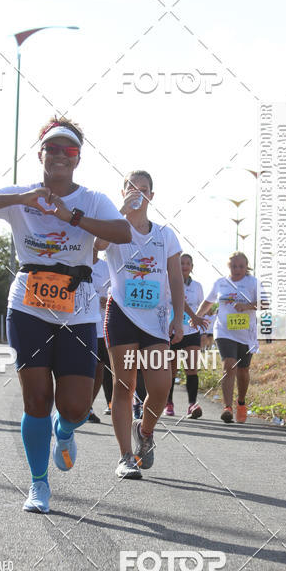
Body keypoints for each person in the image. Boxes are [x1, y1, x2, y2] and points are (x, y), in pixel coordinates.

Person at [0, 116, 131, 514]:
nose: (59, 156)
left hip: (79, 309)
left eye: (68, 150)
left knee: (73, 406)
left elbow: (123, 233)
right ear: (41, 154)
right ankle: (38, 485)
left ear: (77, 159)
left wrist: (72, 218)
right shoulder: (21, 194)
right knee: (36, 399)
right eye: (52, 148)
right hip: (28, 306)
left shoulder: (90, 199)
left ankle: (65, 431)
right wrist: (20, 201)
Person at [97, 171, 184, 479]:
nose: (138, 193)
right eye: (132, 188)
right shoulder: (115, 229)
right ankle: (124, 457)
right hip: (121, 314)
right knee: (125, 385)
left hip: (156, 322)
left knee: (161, 387)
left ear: (152, 196)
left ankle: (144, 431)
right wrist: (121, 211)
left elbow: (175, 277)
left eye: (144, 190)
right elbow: (96, 245)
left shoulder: (165, 235)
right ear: (123, 191)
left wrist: (178, 318)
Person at [196, 251, 264, 424]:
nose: (237, 269)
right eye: (234, 266)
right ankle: (227, 407)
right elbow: (208, 302)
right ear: (229, 267)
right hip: (224, 331)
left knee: (243, 370)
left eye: (241, 266)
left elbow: (264, 302)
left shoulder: (253, 282)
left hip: (245, 333)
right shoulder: (221, 283)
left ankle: (241, 403)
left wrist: (247, 305)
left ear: (246, 267)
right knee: (229, 365)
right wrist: (197, 316)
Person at [166, 253, 208, 418]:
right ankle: (168, 403)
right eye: (181, 263)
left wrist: (205, 331)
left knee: (192, 369)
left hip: (191, 331)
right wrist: (194, 316)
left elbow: (202, 308)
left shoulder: (197, 286)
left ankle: (192, 404)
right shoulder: (169, 282)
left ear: (192, 267)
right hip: (173, 330)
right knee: (172, 370)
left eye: (187, 263)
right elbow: (179, 302)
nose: (184, 266)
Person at [88, 245, 111, 422]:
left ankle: (88, 406)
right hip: (78, 322)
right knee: (79, 367)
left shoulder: (106, 267)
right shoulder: (75, 261)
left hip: (101, 326)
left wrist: (109, 299)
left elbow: (116, 290)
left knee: (99, 367)